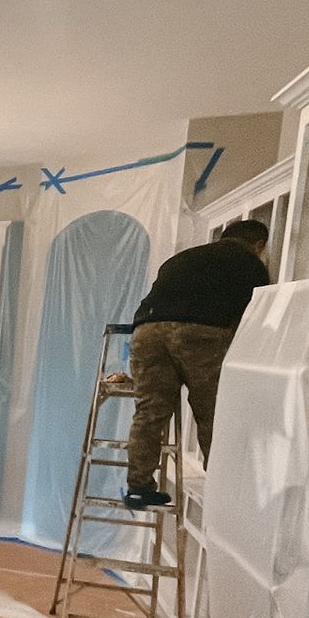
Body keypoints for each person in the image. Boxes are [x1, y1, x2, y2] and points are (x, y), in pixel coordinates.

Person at [123, 218, 271, 509]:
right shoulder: (249, 263)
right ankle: (222, 492)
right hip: (198, 332)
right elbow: (253, 318)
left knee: (149, 412)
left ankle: (138, 487)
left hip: (146, 331)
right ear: (259, 245)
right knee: (213, 410)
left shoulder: (182, 258)